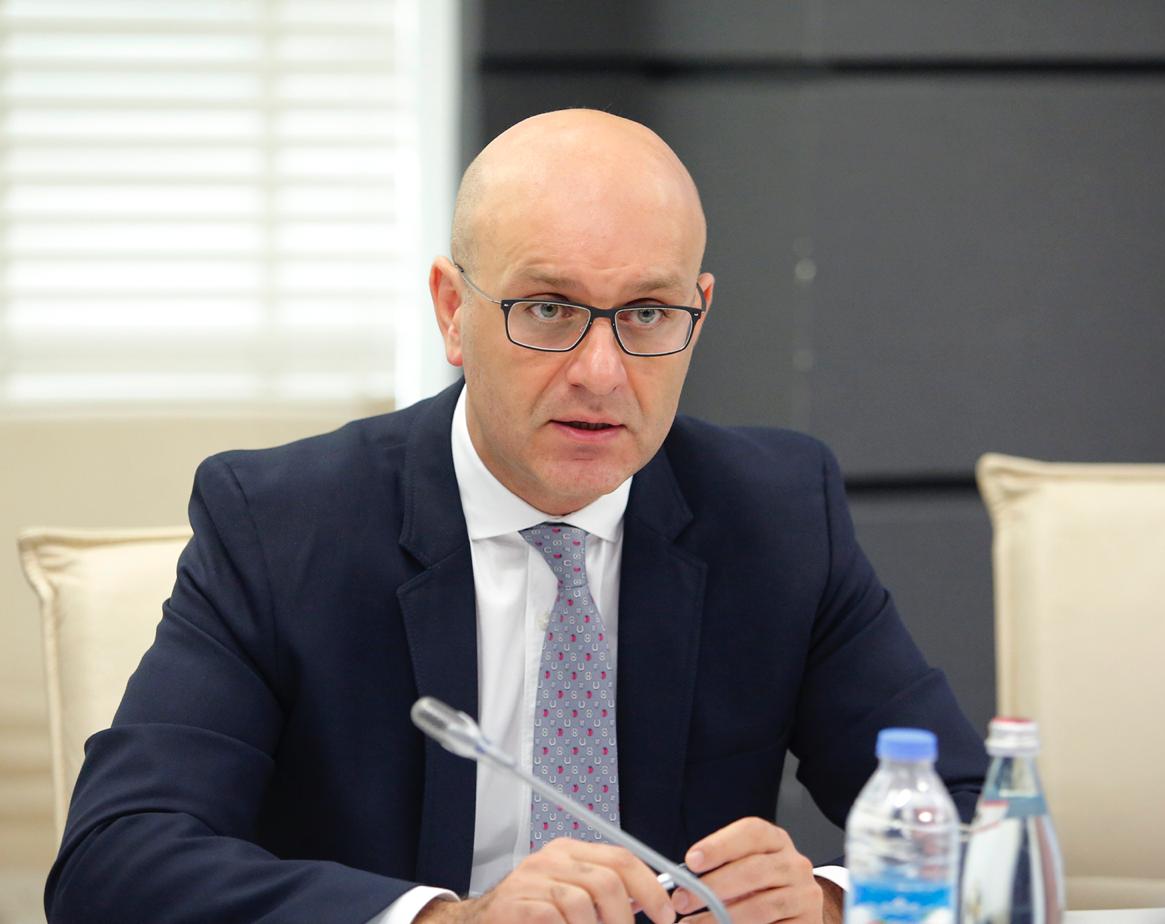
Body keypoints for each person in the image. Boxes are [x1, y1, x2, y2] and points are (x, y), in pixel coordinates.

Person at [46, 110, 986, 924]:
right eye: (547, 308)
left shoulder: (776, 513)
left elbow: (975, 814)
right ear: (452, 312)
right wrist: (449, 920)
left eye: (647, 313)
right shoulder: (282, 525)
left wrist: (830, 899)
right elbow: (116, 862)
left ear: (697, 315)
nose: (601, 373)